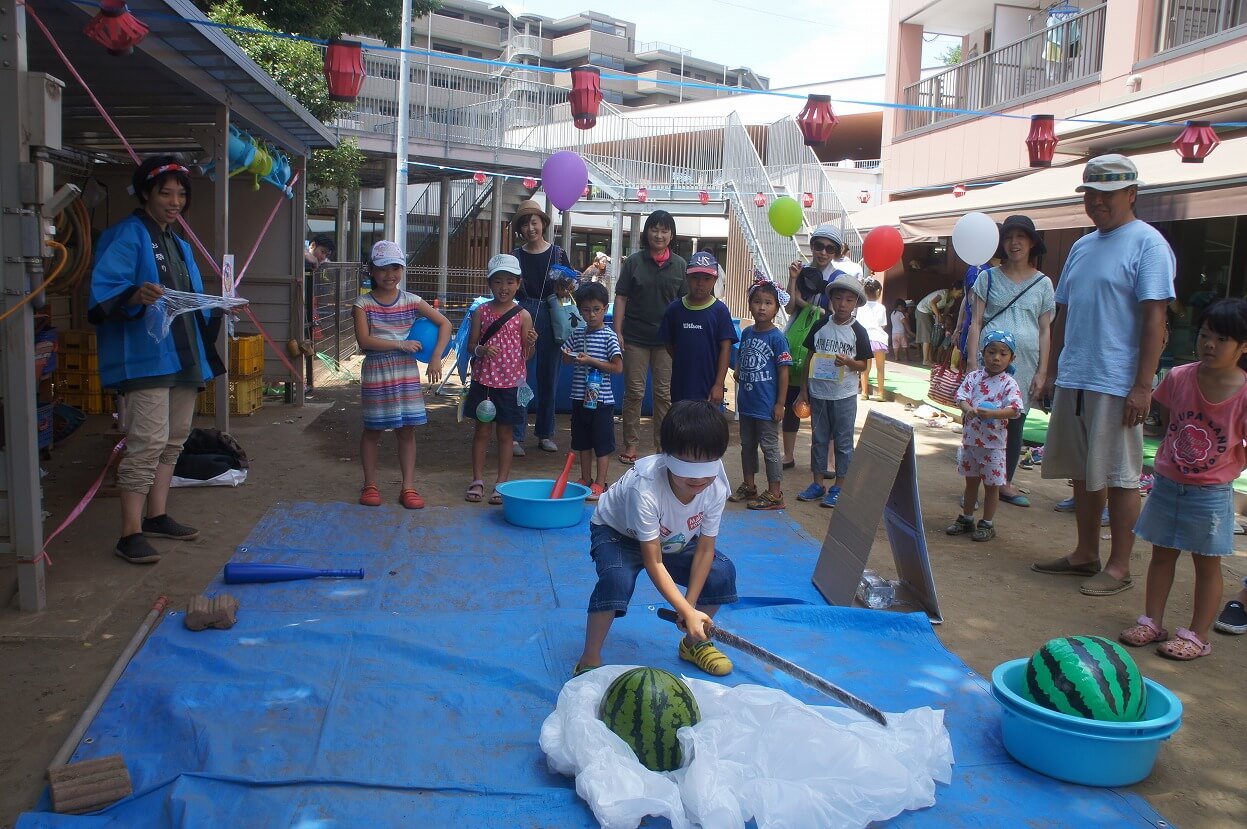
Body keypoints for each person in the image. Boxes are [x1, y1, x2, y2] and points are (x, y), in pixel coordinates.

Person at [1032, 154, 1176, 597]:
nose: (1097, 202)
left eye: (1107, 194)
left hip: (1117, 381)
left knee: (1120, 475)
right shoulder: (1082, 246)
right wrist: (1054, 371)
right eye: (1091, 194)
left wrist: (1143, 386)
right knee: (1082, 472)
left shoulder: (1148, 244)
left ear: (1131, 194)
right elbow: (1066, 312)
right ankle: (1085, 553)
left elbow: (1155, 320)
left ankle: (1119, 566)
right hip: (1077, 375)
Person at [89, 156, 224, 564]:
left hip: (183, 355)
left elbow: (191, 300)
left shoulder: (180, 244)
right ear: (146, 193)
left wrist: (221, 307)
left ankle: (157, 515)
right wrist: (135, 295)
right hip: (145, 358)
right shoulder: (125, 235)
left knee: (175, 438)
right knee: (146, 442)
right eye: (165, 193)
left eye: (181, 194)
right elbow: (104, 292)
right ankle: (129, 533)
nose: (175, 201)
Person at [1117, 299, 1247, 660]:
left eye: (1222, 339)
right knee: (1162, 553)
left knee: (1207, 563)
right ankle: (1152, 622)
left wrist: (1227, 469)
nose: (1209, 344)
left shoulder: (1243, 394)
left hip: (1211, 494)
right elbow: (1169, 417)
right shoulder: (1178, 377)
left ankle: (1197, 636)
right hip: (1167, 484)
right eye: (1204, 335)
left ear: (1243, 346)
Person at [574, 400, 738, 677]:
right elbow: (654, 562)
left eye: (706, 465)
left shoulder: (716, 486)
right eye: (687, 465)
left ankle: (693, 642)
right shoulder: (646, 488)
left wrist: (688, 609)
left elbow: (705, 550)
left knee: (721, 571)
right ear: (666, 454)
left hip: (671, 536)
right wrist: (684, 608)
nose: (698, 479)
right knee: (616, 579)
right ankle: (589, 658)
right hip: (618, 533)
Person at [964, 215, 1056, 508]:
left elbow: (1045, 329)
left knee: (1015, 419)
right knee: (978, 420)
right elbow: (976, 322)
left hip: (1025, 363)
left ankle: (1003, 483)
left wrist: (1043, 371)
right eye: (1008, 237)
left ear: (1032, 243)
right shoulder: (987, 278)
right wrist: (972, 363)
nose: (1014, 243)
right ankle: (973, 487)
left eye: (1021, 237)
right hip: (987, 362)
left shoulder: (1043, 283)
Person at [352, 240, 451, 510]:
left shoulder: (411, 300)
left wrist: (436, 356)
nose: (390, 274)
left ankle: (408, 487)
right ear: (371, 270)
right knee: (373, 429)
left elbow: (445, 324)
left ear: (403, 269)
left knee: (407, 430)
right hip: (377, 372)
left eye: (395, 268)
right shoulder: (363, 304)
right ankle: (370, 484)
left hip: (406, 374)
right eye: (383, 268)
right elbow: (364, 340)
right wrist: (400, 345)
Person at [614, 210, 687, 465]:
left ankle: (662, 446)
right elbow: (621, 297)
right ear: (646, 233)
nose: (659, 235)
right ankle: (631, 445)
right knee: (634, 392)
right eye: (654, 229)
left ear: (672, 235)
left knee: (664, 395)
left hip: (666, 342)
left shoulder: (680, 265)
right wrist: (618, 331)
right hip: (635, 337)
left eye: (665, 230)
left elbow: (684, 303)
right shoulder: (634, 262)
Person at [794, 274, 871, 508]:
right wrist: (804, 390)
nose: (843, 304)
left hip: (844, 395)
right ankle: (817, 484)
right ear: (831, 299)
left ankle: (839, 486)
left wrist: (849, 362)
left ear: (856, 303)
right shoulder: (820, 326)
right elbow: (810, 357)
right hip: (818, 393)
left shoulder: (858, 331)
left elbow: (864, 365)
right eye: (838, 298)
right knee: (818, 439)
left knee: (843, 442)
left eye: (849, 300)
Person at [465, 254, 535, 505]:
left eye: (509, 281)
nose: (503, 287)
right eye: (498, 281)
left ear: (518, 283)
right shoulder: (480, 312)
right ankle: (477, 479)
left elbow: (527, 355)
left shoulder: (523, 315)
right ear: (489, 283)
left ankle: (501, 483)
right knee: (482, 432)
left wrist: (531, 343)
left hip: (511, 384)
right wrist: (481, 350)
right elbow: (470, 346)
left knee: (506, 435)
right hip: (484, 382)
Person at [946, 330, 1024, 542]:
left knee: (992, 487)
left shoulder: (1009, 383)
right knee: (971, 484)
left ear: (1011, 358)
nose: (996, 358)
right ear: (983, 353)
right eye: (991, 352)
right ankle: (967, 518)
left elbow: (1015, 409)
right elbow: (961, 397)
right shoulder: (973, 377)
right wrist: (967, 409)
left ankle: (987, 523)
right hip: (971, 442)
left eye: (1003, 354)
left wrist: (993, 414)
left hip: (993, 446)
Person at [510, 200, 570, 456]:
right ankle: (516, 435)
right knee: (520, 376)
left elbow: (569, 287)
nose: (530, 228)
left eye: (534, 222)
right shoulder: (515, 256)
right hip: (523, 313)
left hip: (553, 312)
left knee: (549, 377)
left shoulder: (558, 253)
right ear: (520, 229)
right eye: (525, 224)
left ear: (543, 224)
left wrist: (566, 286)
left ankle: (546, 433)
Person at [728, 280, 792, 511]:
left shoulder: (777, 338)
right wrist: (738, 370)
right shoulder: (746, 333)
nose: (762, 307)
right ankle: (749, 485)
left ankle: (775, 494)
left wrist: (780, 403)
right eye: (757, 302)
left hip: (767, 406)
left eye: (768, 303)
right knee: (747, 445)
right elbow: (741, 358)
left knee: (770, 448)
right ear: (750, 305)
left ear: (776, 308)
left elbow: (784, 371)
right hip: (747, 404)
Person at [562, 281, 623, 501]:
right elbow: (565, 360)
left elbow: (617, 368)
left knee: (602, 444)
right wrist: (567, 355)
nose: (592, 315)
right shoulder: (578, 334)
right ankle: (585, 478)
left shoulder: (609, 336)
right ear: (580, 311)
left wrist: (591, 361)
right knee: (582, 442)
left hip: (602, 401)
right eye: (586, 310)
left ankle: (600, 482)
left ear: (605, 308)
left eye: (596, 309)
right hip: (579, 398)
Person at [659, 251, 737, 404]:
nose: (700, 283)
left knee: (706, 419)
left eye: (706, 278)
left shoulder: (720, 311)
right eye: (695, 277)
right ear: (687, 277)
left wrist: (718, 384)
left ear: (715, 280)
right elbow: (668, 343)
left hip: (709, 388)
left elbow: (726, 349)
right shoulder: (674, 309)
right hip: (680, 386)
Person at [858, 278, 889, 401]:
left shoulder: (861, 307)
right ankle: (880, 394)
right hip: (878, 339)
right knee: (880, 368)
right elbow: (883, 324)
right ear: (878, 291)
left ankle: (864, 393)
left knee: (865, 368)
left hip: (865, 339)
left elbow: (858, 324)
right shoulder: (881, 307)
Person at [915, 285, 962, 366]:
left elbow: (946, 312)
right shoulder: (943, 293)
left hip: (929, 312)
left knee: (930, 336)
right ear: (954, 289)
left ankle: (930, 359)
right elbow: (932, 303)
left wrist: (943, 319)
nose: (960, 295)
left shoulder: (951, 300)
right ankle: (925, 360)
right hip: (922, 310)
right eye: (959, 292)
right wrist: (938, 315)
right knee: (927, 336)